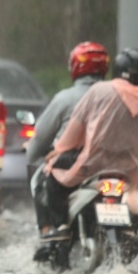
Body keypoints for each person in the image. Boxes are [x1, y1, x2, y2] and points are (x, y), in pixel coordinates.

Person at [34, 47, 138, 259]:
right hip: (127, 169)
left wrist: (59, 150)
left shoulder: (100, 91)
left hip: (91, 164)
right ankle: (131, 229)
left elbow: (76, 128)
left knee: (51, 175)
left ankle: (61, 226)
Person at [28, 41, 109, 235]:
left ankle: (52, 232)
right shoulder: (116, 95)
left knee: (42, 181)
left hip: (74, 162)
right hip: (113, 162)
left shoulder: (65, 98)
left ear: (75, 66)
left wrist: (33, 153)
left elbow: (41, 137)